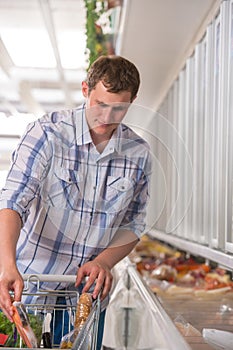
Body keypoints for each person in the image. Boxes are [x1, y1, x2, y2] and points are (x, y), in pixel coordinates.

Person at [0, 55, 151, 348]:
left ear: (133, 101)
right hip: (28, 285)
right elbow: (13, 201)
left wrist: (103, 262)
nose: (107, 118)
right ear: (85, 89)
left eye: (119, 108)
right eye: (101, 105)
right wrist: (6, 263)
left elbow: (133, 224)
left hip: (83, 299)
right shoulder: (47, 133)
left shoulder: (139, 154)